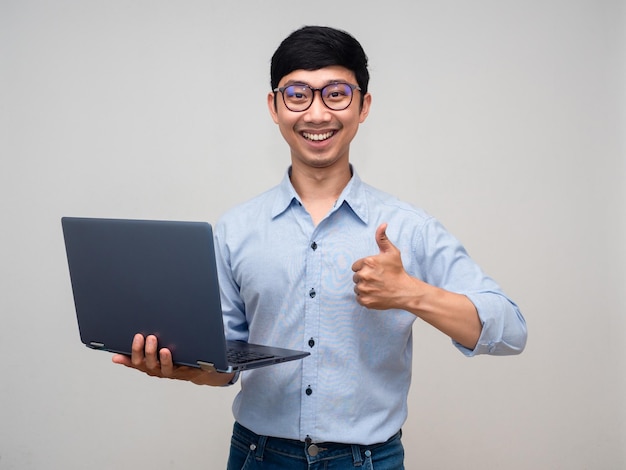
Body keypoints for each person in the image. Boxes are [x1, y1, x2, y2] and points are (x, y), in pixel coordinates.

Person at [113, 25, 527, 469]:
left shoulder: (410, 227)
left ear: (363, 106)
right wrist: (183, 367)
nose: (316, 114)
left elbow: (511, 331)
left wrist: (410, 293)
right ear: (274, 106)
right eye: (297, 94)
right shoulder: (236, 229)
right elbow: (226, 366)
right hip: (258, 456)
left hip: (368, 460)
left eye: (336, 93)